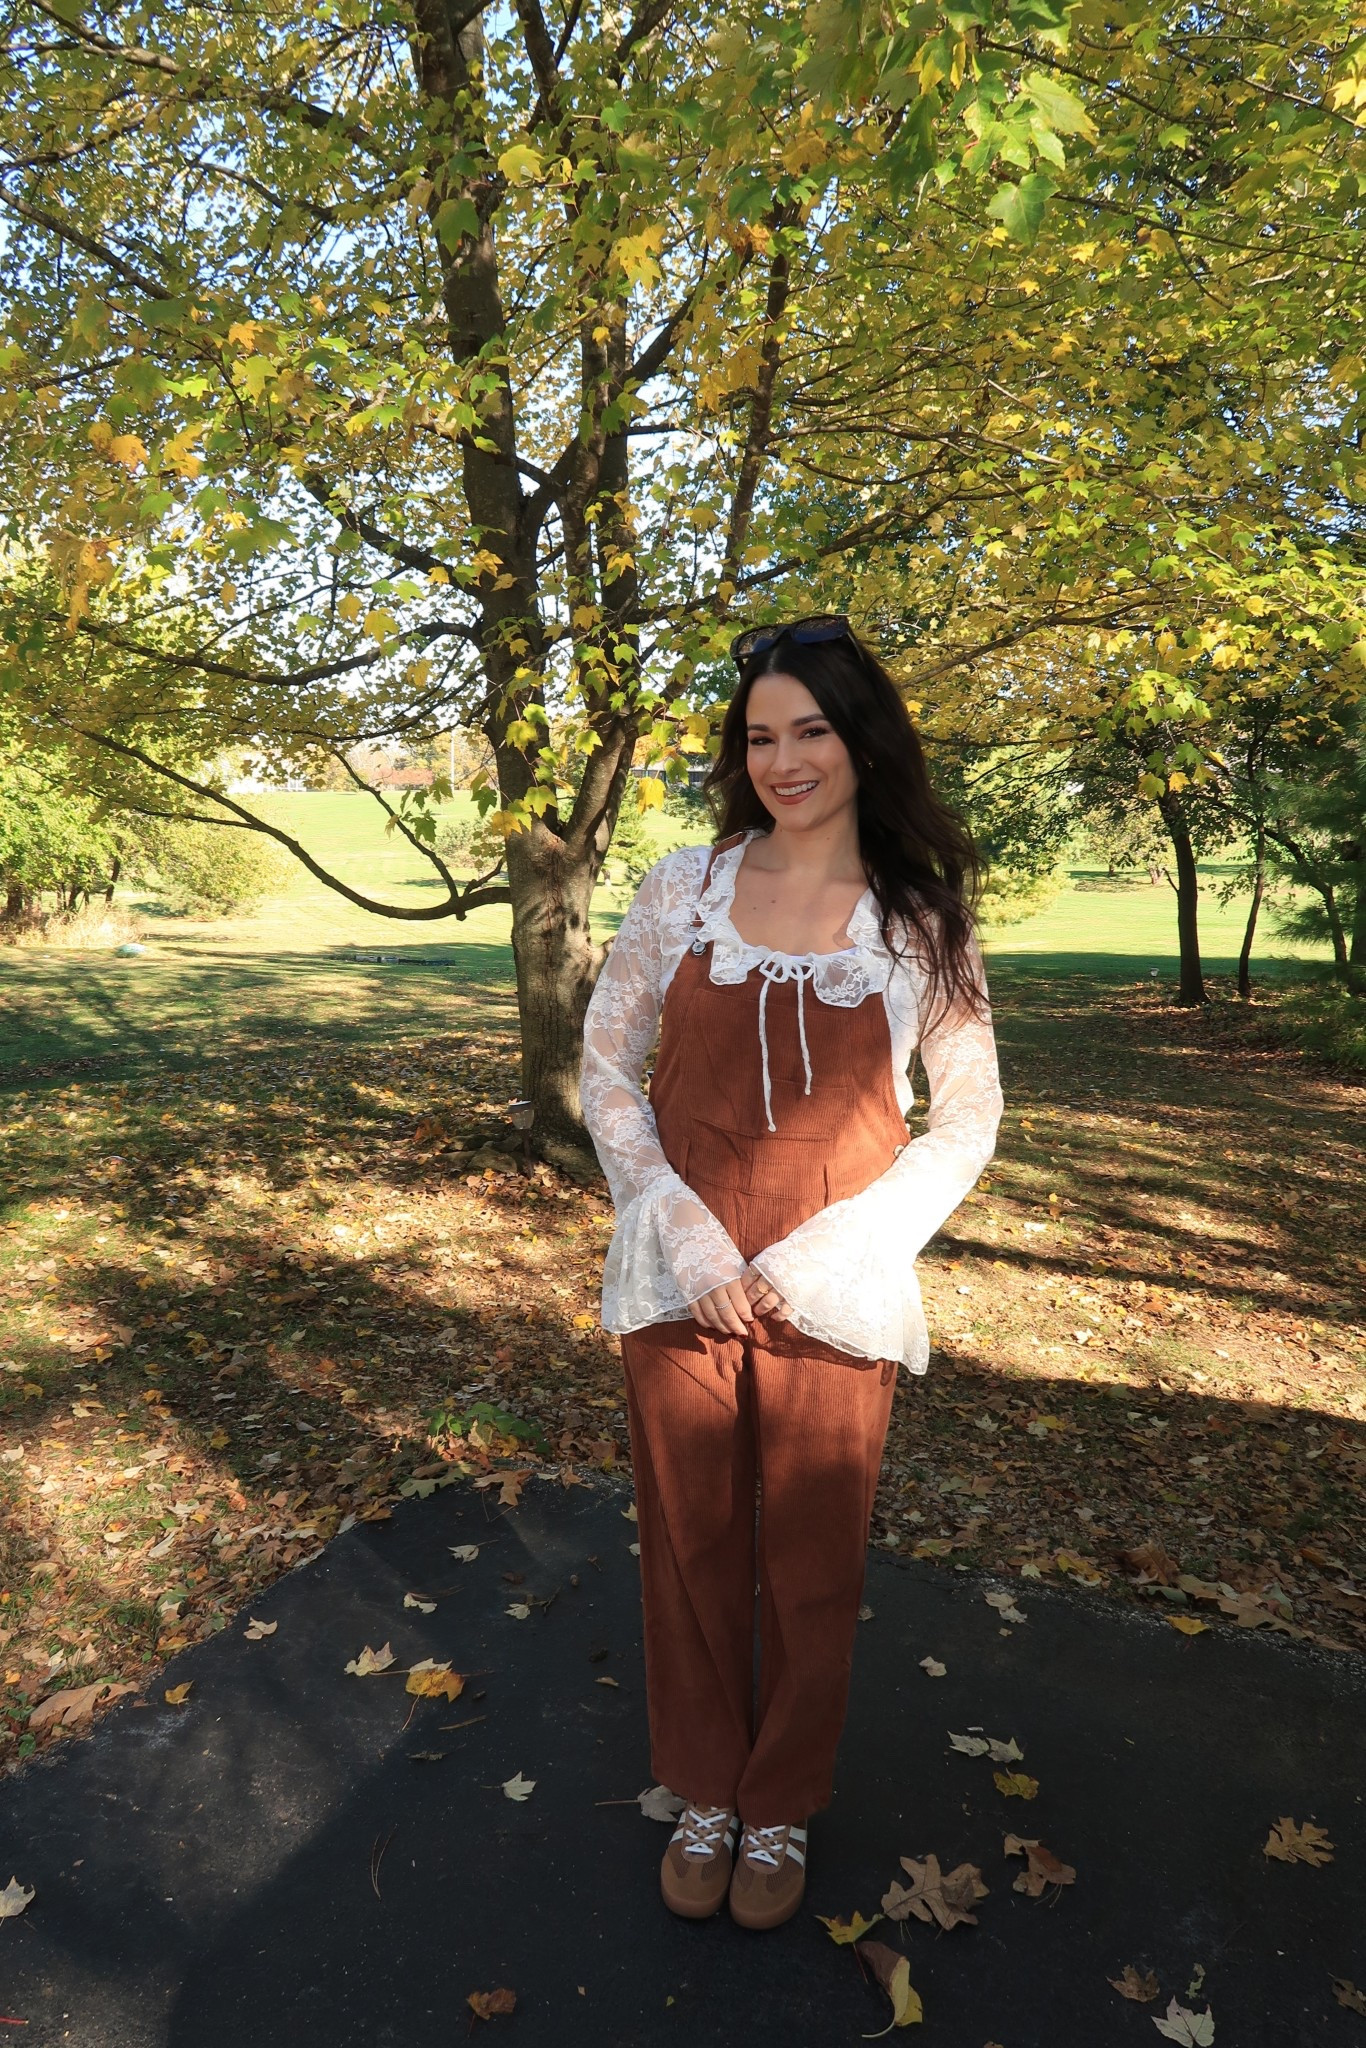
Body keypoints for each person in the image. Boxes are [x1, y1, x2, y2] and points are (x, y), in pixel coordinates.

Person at [579, 615, 1004, 1930]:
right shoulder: (678, 889)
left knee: (812, 1560)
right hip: (682, 1273)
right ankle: (703, 1785)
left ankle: (777, 1806)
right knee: (689, 1547)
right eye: (760, 736)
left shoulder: (916, 916)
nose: (783, 759)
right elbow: (605, 1066)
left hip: (836, 1276)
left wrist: (831, 1252)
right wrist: (686, 1234)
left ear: (859, 737)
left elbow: (967, 1113)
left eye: (809, 729)